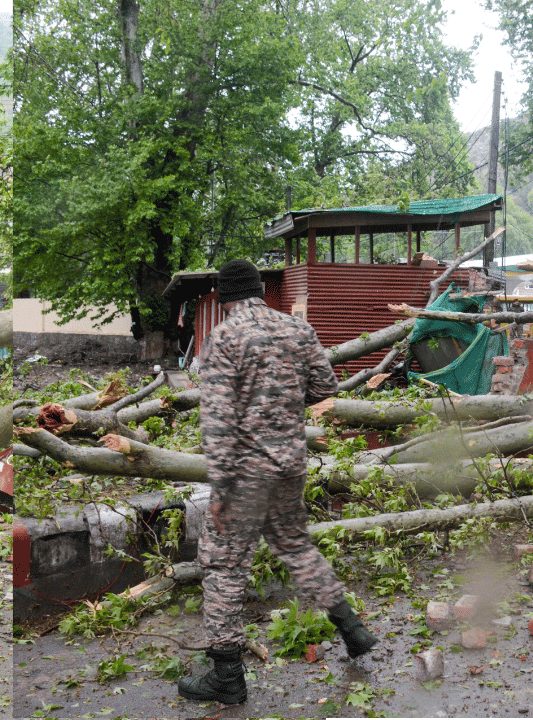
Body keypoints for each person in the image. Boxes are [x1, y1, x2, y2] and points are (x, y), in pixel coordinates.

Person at [178, 259, 376, 705]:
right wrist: (287, 398)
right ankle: (353, 630)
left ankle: (226, 677)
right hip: (289, 466)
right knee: (296, 547)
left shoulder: (224, 337)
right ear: (259, 291)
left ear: (224, 296)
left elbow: (216, 420)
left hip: (245, 475)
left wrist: (223, 488)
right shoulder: (296, 330)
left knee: (224, 568)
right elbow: (326, 387)